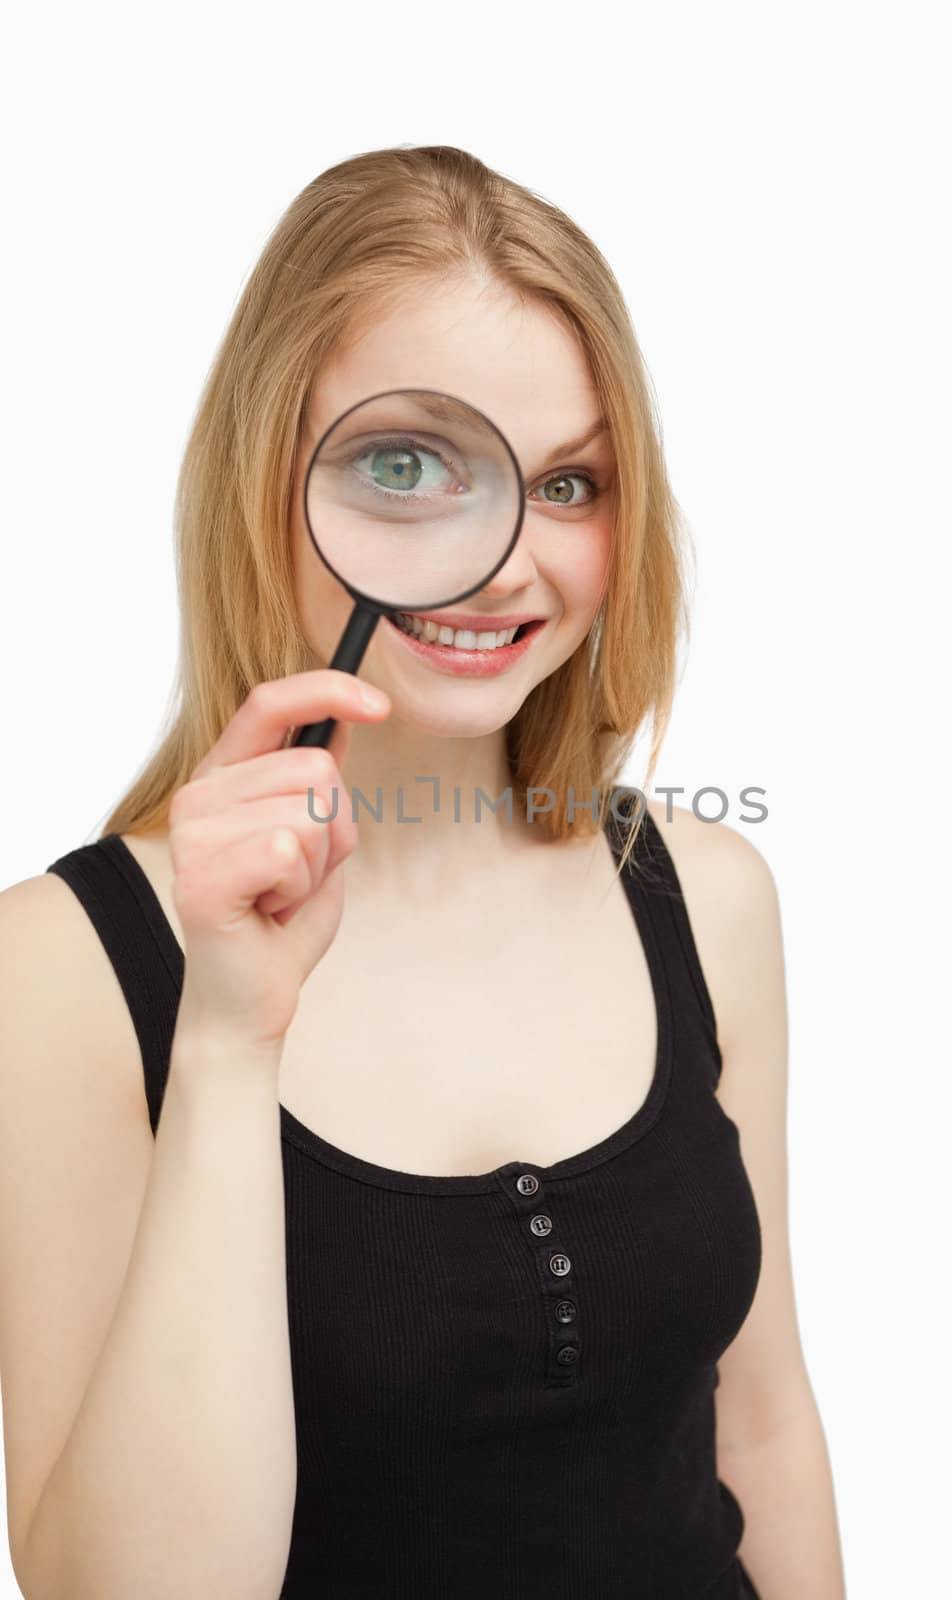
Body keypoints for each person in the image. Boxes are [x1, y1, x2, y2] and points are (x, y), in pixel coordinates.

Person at [0, 146, 845, 1599]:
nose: (505, 563)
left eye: (570, 479)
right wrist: (224, 1037)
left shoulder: (707, 897)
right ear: (268, 481)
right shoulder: (62, 967)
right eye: (407, 466)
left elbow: (763, 1427)